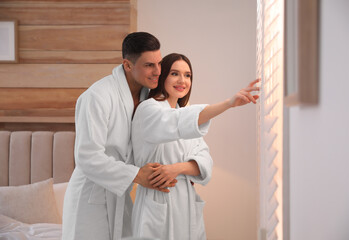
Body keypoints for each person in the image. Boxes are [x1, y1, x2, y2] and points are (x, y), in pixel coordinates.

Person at [131, 53, 259, 240]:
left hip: (186, 201)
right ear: (162, 76)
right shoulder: (148, 109)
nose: (182, 80)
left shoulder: (182, 114)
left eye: (188, 75)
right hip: (157, 198)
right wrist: (228, 104)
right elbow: (176, 122)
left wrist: (177, 168)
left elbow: (205, 160)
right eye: (175, 73)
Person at [62, 32, 177, 240]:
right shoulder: (97, 96)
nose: (158, 71)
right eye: (149, 65)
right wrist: (137, 175)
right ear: (127, 64)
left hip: (120, 194)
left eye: (159, 63)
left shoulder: (148, 98)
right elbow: (87, 157)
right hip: (90, 198)